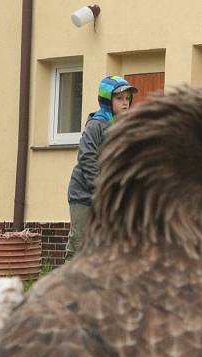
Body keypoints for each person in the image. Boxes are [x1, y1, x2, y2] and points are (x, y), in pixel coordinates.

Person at [65, 76, 137, 264]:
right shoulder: (96, 125)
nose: (125, 102)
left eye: (127, 98)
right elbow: (87, 158)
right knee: (80, 243)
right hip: (83, 193)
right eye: (119, 98)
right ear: (107, 101)